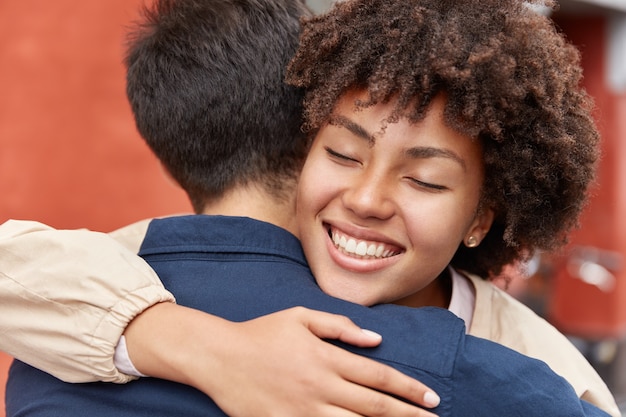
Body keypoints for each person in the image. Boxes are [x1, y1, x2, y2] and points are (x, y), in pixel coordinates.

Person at [0, 0, 621, 416]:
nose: (366, 199)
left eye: (427, 181)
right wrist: (208, 348)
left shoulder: (530, 363)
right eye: (344, 155)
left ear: (482, 216)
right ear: (305, 148)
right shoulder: (140, 269)